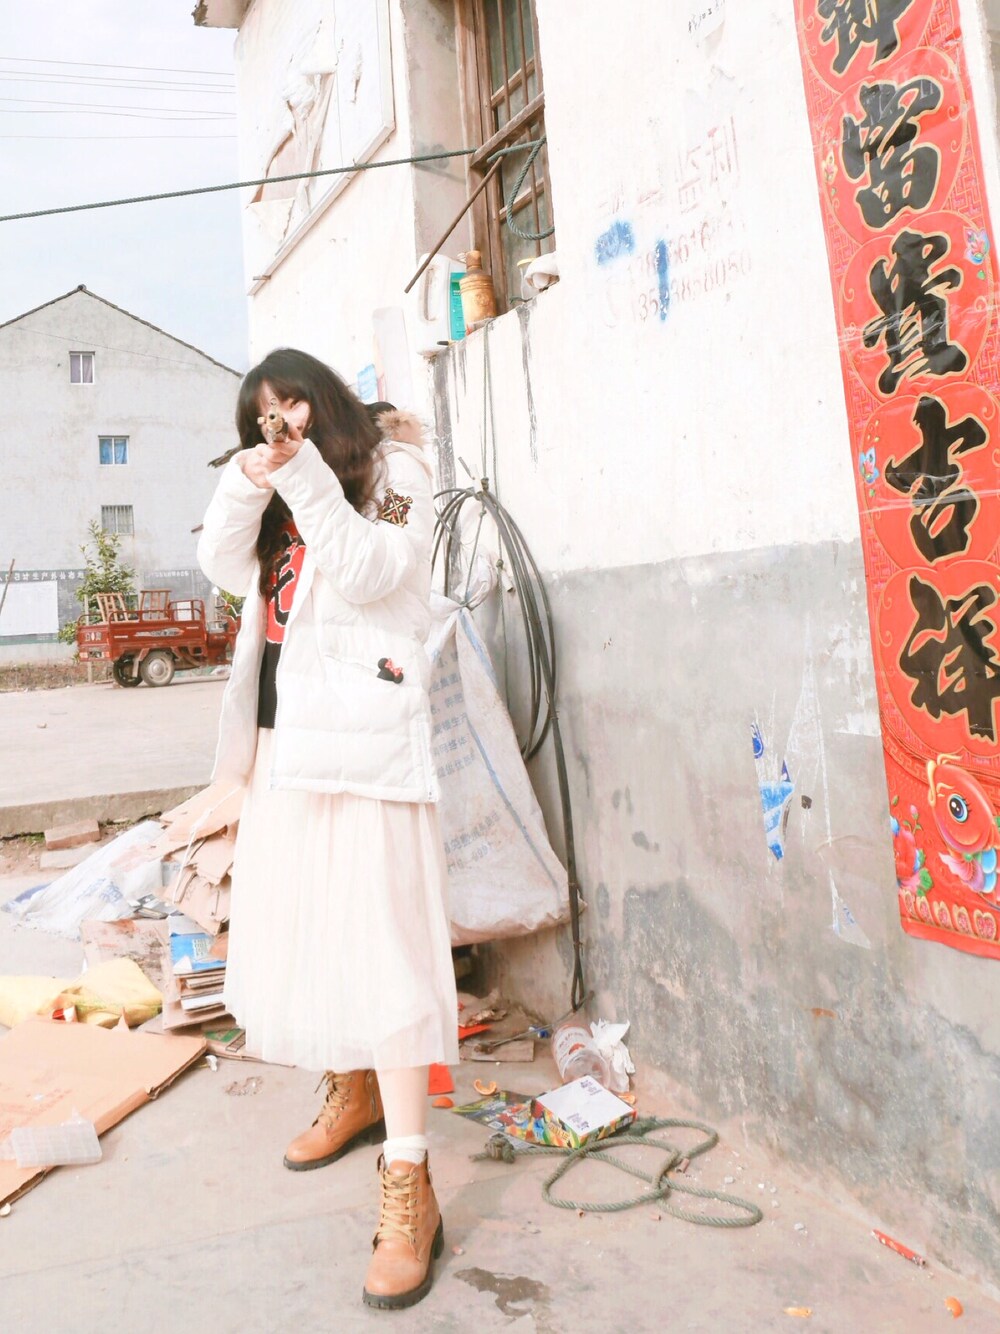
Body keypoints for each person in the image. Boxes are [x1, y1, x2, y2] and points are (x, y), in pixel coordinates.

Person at [197, 348, 458, 1311]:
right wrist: (247, 480)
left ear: (327, 400)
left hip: (368, 748)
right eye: (263, 415)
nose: (283, 422)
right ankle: (355, 1089)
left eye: (294, 403)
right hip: (285, 749)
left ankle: (411, 1179)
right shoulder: (278, 487)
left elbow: (368, 569)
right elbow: (223, 566)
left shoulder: (398, 471)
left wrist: (299, 473)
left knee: (387, 954)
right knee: (317, 939)